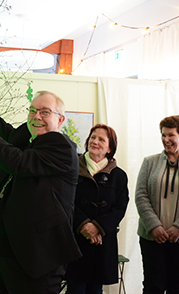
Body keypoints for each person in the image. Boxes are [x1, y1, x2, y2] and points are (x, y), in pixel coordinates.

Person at [0, 59, 82, 294]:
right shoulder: (29, 141)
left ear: (60, 119)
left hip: (38, 257)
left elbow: (19, 162)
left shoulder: (61, 147)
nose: (37, 116)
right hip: (9, 249)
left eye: (45, 112)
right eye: (32, 110)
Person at [135, 115, 179, 294]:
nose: (166, 140)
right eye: (163, 135)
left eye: (171, 135)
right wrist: (154, 226)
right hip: (153, 237)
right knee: (153, 287)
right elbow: (141, 196)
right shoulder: (149, 162)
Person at [64, 124, 129, 294]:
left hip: (102, 241)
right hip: (76, 238)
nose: (95, 141)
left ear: (110, 148)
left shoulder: (119, 176)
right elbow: (65, 200)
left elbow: (120, 207)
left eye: (101, 139)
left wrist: (98, 227)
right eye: (93, 137)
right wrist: (84, 225)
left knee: (96, 289)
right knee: (75, 288)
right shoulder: (71, 167)